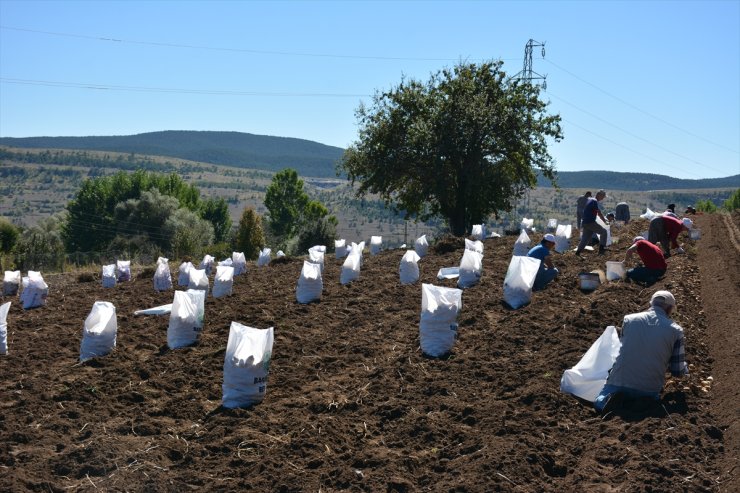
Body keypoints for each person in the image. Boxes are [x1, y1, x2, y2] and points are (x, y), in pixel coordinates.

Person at [594, 290, 688, 414]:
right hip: (649, 389)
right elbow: (677, 371)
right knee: (649, 403)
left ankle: (606, 403)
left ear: (651, 304)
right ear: (670, 309)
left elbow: (623, 348)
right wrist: (686, 370)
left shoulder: (629, 320)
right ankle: (640, 405)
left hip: (620, 382)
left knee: (599, 400)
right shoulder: (676, 331)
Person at [576, 189, 608, 256]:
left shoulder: (590, 200)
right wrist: (605, 221)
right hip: (590, 222)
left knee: (585, 238)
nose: (602, 199)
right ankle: (601, 251)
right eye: (603, 197)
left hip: (585, 222)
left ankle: (578, 253)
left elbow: (596, 211)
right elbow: (599, 213)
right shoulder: (594, 201)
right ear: (599, 195)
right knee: (604, 232)